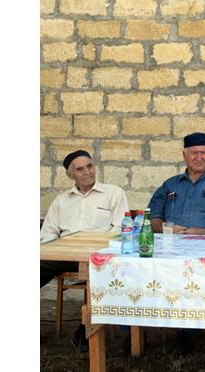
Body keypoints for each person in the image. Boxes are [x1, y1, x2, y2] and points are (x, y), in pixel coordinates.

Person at [148, 132, 205, 354]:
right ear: (184, 155)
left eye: (204, 153)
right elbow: (152, 217)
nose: (199, 157)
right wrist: (165, 228)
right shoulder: (170, 185)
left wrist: (203, 232)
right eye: (194, 153)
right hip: (170, 249)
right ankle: (135, 331)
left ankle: (193, 332)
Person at [40, 150, 130, 352]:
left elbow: (120, 229)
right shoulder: (62, 200)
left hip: (100, 255)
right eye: (80, 169)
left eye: (90, 166)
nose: (87, 171)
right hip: (66, 255)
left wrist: (96, 247)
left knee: (102, 275)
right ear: (70, 175)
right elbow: (48, 233)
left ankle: (85, 330)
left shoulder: (114, 193)